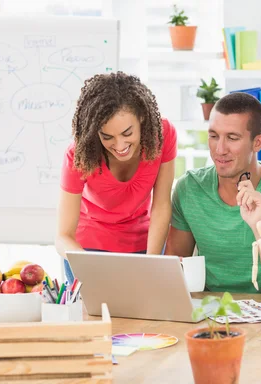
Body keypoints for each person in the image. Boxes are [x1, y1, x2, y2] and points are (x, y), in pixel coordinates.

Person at [165, 92, 261, 296]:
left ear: (258, 143)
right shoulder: (189, 188)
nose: (220, 149)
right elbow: (173, 274)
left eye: (232, 138)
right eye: (214, 136)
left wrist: (259, 226)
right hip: (212, 314)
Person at [56, 72, 177, 282]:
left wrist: (152, 263)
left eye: (127, 133)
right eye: (107, 137)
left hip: (144, 245)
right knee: (94, 314)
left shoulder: (163, 134)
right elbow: (62, 236)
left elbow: (161, 205)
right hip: (89, 248)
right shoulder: (79, 154)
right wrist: (89, 267)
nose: (119, 146)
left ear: (142, 118)